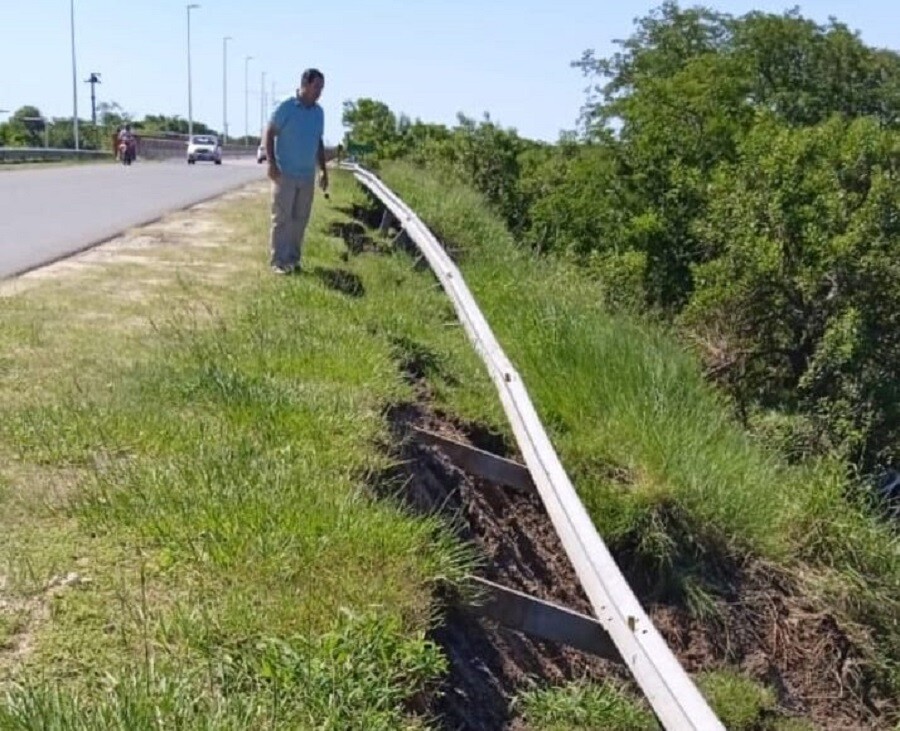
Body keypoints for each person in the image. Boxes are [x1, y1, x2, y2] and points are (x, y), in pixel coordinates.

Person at [265, 68, 328, 274]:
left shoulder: (319, 113)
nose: (319, 91)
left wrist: (323, 170)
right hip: (285, 173)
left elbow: (318, 141)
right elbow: (270, 132)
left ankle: (293, 259)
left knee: (300, 219)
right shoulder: (286, 106)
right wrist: (271, 164)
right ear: (305, 84)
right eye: (316, 86)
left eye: (321, 87)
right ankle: (278, 261)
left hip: (306, 174)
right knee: (282, 219)